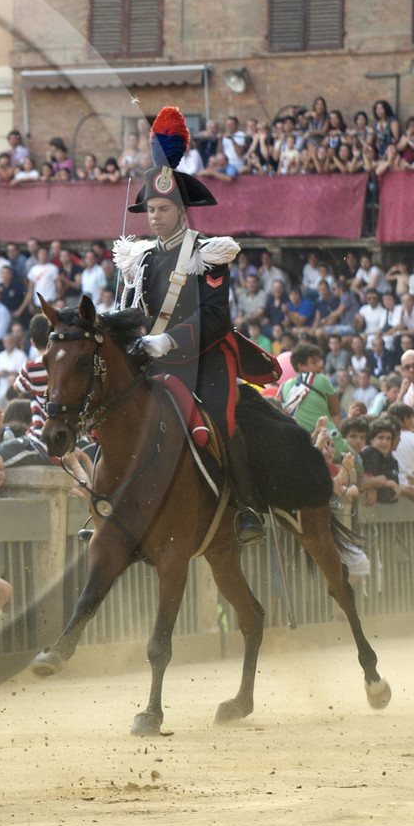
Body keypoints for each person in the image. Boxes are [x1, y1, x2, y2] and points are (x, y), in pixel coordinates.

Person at [112, 107, 279, 545]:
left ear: (182, 210)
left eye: (164, 208)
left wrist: (166, 338)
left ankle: (246, 508)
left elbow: (215, 316)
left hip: (204, 358)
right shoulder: (141, 258)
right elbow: (135, 313)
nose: (154, 217)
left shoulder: (207, 252)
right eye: (150, 209)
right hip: (154, 357)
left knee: (223, 424)